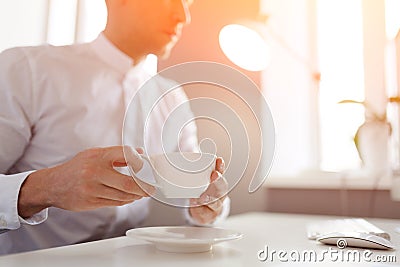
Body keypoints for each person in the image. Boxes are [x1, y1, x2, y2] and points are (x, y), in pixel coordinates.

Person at [0, 0, 230, 255]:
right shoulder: (27, 70)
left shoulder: (171, 98)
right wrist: (48, 186)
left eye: (188, 3)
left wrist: (208, 204)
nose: (183, 17)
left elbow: (198, 193)